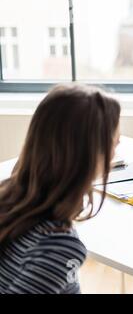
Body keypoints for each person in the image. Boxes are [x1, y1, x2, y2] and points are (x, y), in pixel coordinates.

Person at [0, 84, 121, 293]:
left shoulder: (8, 197)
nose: (114, 156)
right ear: (90, 156)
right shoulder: (57, 247)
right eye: (114, 144)